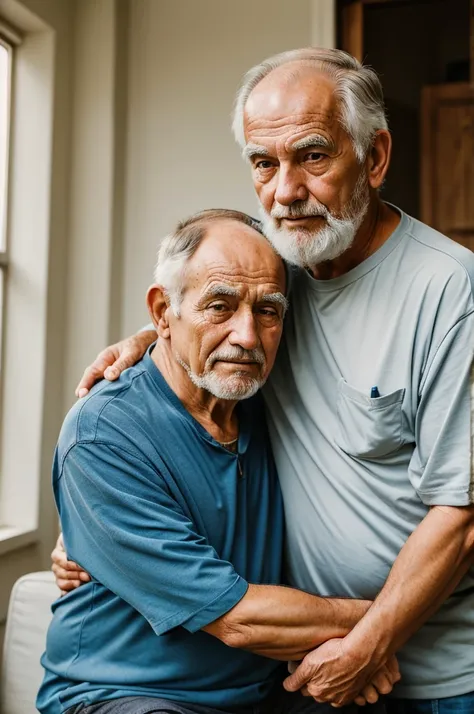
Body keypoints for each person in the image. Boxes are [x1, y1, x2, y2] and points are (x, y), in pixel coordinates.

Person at [66, 48, 474, 714]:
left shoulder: (451, 291)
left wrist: (372, 642)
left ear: (374, 158)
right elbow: (213, 313)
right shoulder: (280, 273)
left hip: (438, 676)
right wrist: (152, 340)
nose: (285, 190)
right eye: (263, 163)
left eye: (312, 156)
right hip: (318, 667)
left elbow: (462, 516)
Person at [39, 209, 399, 714]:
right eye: (220, 307)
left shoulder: (268, 397)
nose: (247, 337)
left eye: (268, 311)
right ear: (163, 312)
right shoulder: (103, 436)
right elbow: (239, 618)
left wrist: (355, 650)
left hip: (261, 689)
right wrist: (381, 626)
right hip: (128, 696)